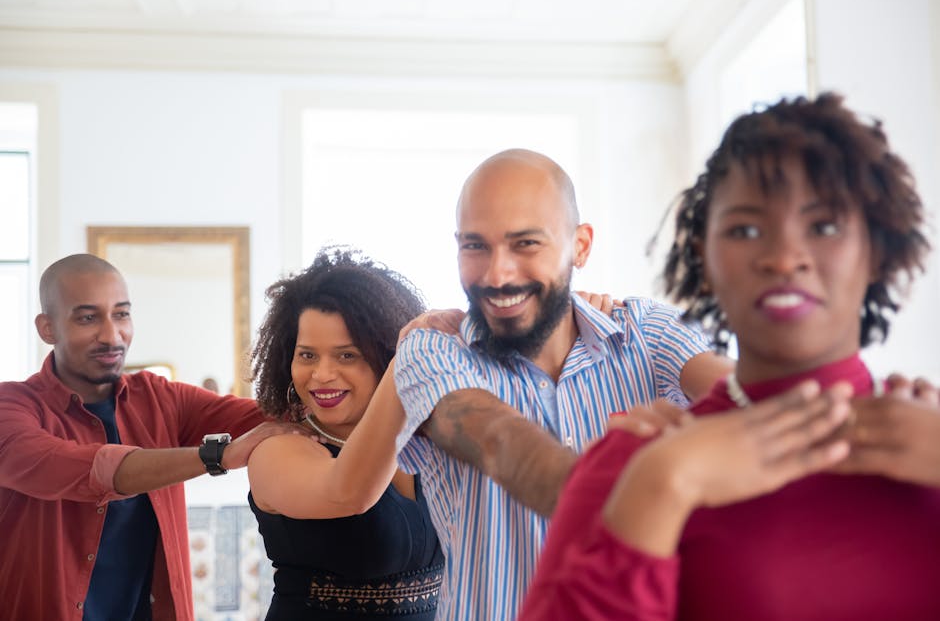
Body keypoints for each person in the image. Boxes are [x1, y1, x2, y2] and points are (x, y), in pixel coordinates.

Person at [519, 93, 940, 620]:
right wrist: (664, 486)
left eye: (824, 226)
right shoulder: (637, 463)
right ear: (704, 255)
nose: (784, 258)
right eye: (745, 229)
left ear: (876, 250)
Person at [393, 148, 734, 619]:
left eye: (525, 244)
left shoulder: (648, 333)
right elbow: (497, 442)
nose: (497, 274)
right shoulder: (431, 348)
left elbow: (743, 397)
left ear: (581, 246)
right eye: (475, 246)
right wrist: (653, 490)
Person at [0, 253, 306, 620]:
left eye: (122, 314)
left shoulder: (161, 398)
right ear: (47, 328)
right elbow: (81, 469)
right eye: (87, 318)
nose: (112, 335)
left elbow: (272, 414)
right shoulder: (11, 407)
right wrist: (216, 456)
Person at [247, 248, 445, 620]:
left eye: (347, 355)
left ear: (381, 355)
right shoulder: (278, 450)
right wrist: (411, 359)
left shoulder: (429, 441)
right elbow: (349, 494)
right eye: (307, 356)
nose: (321, 374)